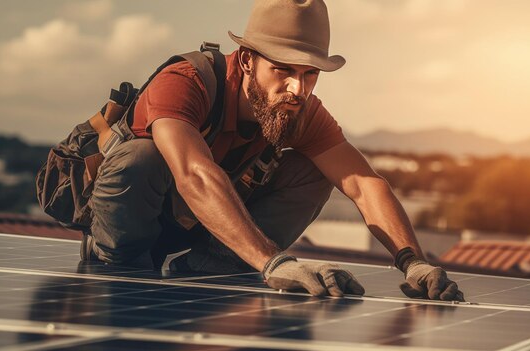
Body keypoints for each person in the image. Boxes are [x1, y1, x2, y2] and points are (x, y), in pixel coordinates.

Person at [81, 0, 463, 301]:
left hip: (199, 228)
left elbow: (363, 184)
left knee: (313, 171)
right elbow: (194, 174)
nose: (298, 89)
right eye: (284, 69)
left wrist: (411, 261)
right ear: (248, 60)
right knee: (142, 158)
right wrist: (274, 261)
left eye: (309, 74)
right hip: (128, 221)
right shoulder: (186, 82)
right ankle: (116, 259)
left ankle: (212, 266)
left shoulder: (298, 109)